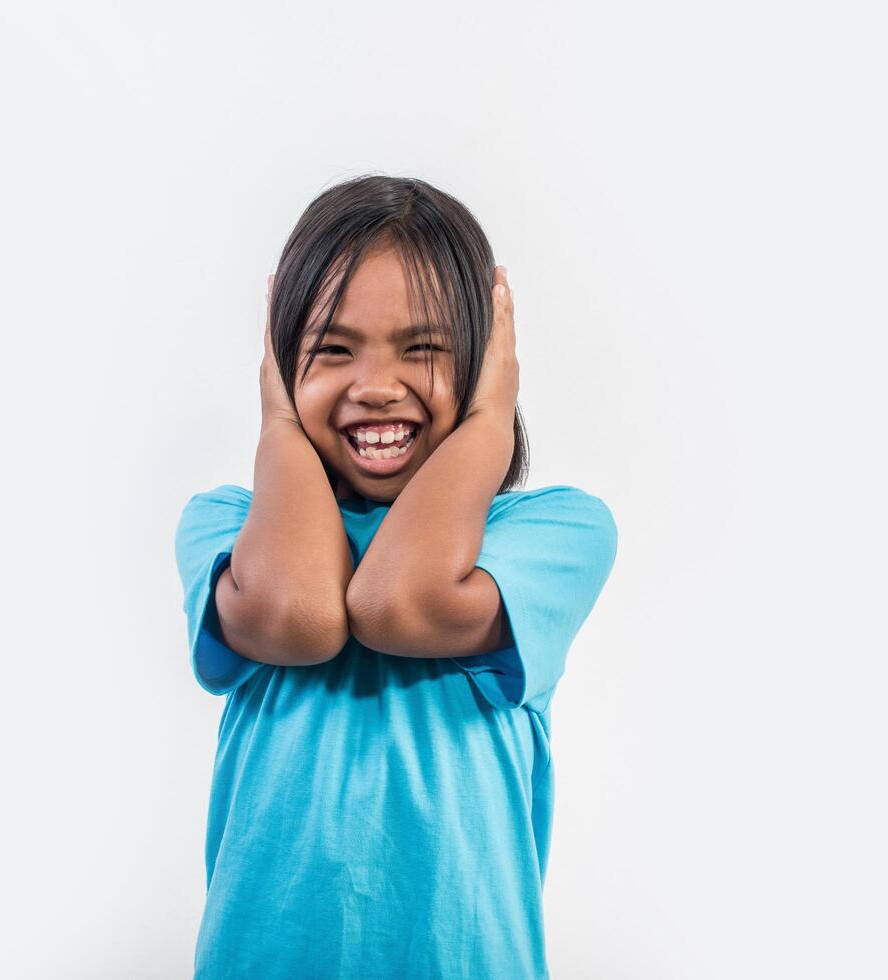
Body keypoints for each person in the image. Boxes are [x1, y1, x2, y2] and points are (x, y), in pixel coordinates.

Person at [173, 175, 618, 978]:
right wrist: (278, 426)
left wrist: (486, 421)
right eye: (332, 350)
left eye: (423, 349)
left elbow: (397, 604)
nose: (376, 386)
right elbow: (299, 617)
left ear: (488, 363)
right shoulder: (228, 528)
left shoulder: (547, 533)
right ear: (279, 366)